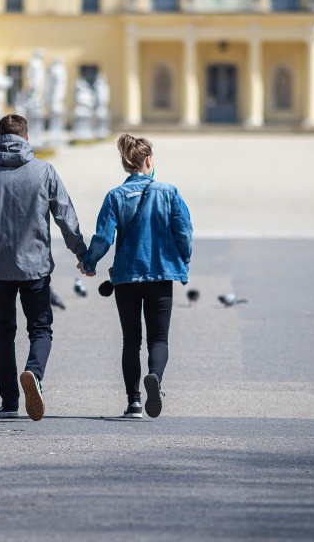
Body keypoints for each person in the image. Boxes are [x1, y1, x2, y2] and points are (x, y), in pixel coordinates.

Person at [0, 114, 87, 421]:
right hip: (35, 265)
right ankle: (33, 373)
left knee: (3, 332)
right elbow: (65, 215)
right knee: (40, 328)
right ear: (27, 138)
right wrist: (82, 253)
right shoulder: (44, 171)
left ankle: (9, 401)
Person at [80, 134, 193, 419]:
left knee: (131, 341)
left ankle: (133, 402)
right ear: (149, 161)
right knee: (159, 340)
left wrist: (89, 262)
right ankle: (154, 376)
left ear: (125, 164)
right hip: (160, 274)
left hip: (126, 278)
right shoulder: (169, 192)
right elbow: (184, 234)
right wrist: (182, 260)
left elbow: (103, 237)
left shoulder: (115, 196)